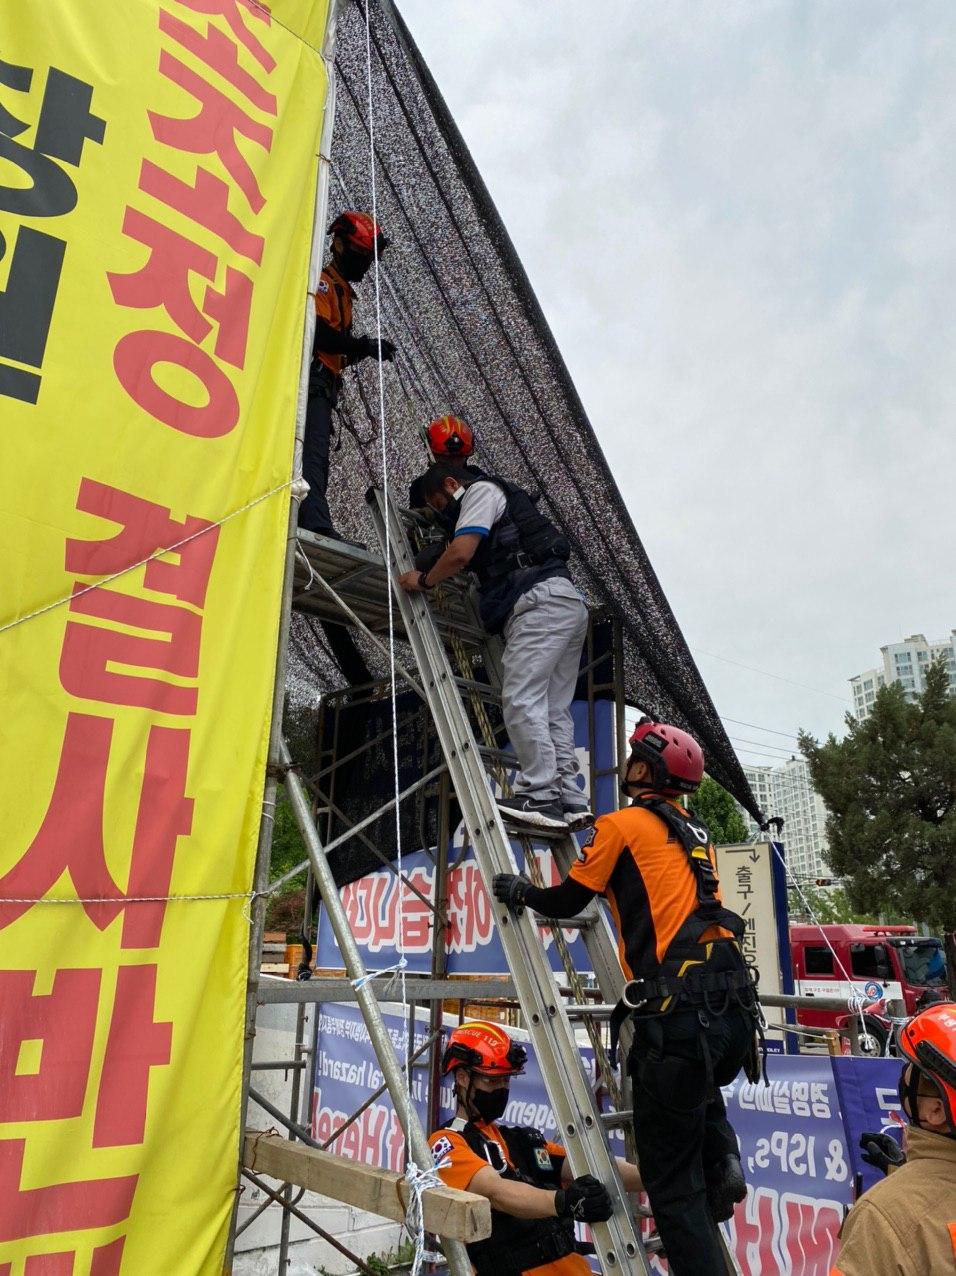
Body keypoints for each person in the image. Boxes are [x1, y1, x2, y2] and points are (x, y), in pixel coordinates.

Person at [492, 720, 762, 1276]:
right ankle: (722, 1154)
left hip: (679, 1020)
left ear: (644, 770)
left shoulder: (620, 826)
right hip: (731, 1014)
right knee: (698, 1086)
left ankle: (710, 1174)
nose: (628, 764)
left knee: (673, 1191)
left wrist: (522, 892)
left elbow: (569, 900)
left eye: (635, 757)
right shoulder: (696, 831)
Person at [397, 463, 591, 832]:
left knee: (521, 698)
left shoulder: (481, 492)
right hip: (563, 602)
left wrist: (423, 579)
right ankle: (571, 800)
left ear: (452, 484)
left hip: (539, 603)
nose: (441, 512)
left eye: (438, 503)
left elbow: (460, 554)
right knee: (552, 709)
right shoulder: (498, 501)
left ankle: (542, 796)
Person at [429, 1020, 643, 1276]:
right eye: (491, 1081)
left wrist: (658, 1178)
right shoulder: (448, 1143)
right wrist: (566, 1202)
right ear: (462, 1078)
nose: (501, 1089)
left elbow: (586, 1166)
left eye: (505, 1081)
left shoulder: (520, 1140)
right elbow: (496, 1192)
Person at [831, 1001, 956, 1276]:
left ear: (936, 1110)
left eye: (913, 1068)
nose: (904, 1074)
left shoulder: (880, 1217)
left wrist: (903, 1195)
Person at [299, 210, 396, 539]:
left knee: (317, 457)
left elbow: (336, 348)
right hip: (309, 382)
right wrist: (363, 345)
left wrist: (362, 350)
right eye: (359, 256)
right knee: (310, 454)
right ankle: (313, 522)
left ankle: (311, 516)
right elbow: (317, 333)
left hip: (324, 383)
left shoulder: (342, 291)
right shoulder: (322, 281)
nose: (363, 265)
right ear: (338, 245)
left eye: (367, 259)